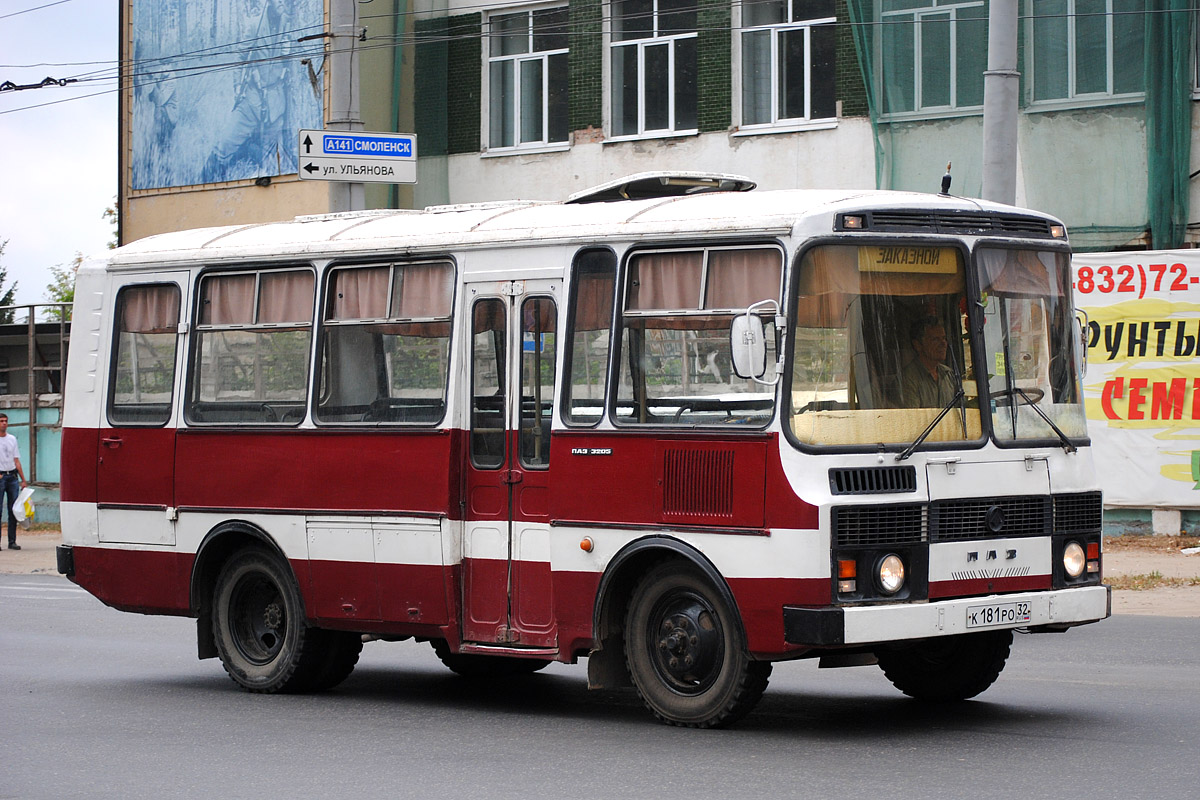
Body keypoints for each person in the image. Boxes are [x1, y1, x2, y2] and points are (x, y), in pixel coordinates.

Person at [902, 316, 959, 409]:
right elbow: (912, 419)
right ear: (918, 345)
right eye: (935, 339)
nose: (943, 343)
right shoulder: (907, 379)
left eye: (944, 338)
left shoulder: (949, 375)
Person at [0, 413, 27, 551]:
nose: (4, 423)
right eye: (1, 421)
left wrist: (23, 479)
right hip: (1, 476)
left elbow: (16, 460)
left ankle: (12, 541)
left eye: (5, 421)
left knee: (13, 510)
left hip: (12, 477)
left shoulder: (12, 439)